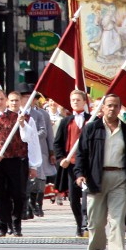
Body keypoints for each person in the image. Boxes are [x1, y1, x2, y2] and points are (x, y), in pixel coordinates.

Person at [74, 93, 126, 250]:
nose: (112, 108)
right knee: (95, 220)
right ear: (102, 108)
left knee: (118, 220)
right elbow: (82, 153)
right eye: (109, 105)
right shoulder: (91, 129)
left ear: (120, 108)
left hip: (120, 178)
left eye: (115, 106)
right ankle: (97, 248)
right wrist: (80, 174)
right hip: (96, 178)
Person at [0, 90, 40, 238]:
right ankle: (2, 225)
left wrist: (22, 125)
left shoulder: (19, 117)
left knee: (18, 194)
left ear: (6, 100)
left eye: (2, 99)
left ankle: (16, 223)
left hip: (16, 160)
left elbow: (28, 138)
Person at [54, 89, 91, 237]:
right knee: (73, 197)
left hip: (88, 164)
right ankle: (78, 224)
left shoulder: (92, 120)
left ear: (84, 102)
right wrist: (61, 158)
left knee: (87, 195)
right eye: (73, 100)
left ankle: (86, 223)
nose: (75, 102)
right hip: (71, 164)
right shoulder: (65, 121)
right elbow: (57, 144)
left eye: (78, 99)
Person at [20, 86, 55, 218]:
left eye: (31, 98)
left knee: (39, 178)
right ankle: (28, 203)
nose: (28, 100)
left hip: (39, 149)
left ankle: (37, 203)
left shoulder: (41, 114)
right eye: (25, 97)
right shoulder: (17, 113)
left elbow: (47, 133)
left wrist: (51, 152)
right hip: (22, 150)